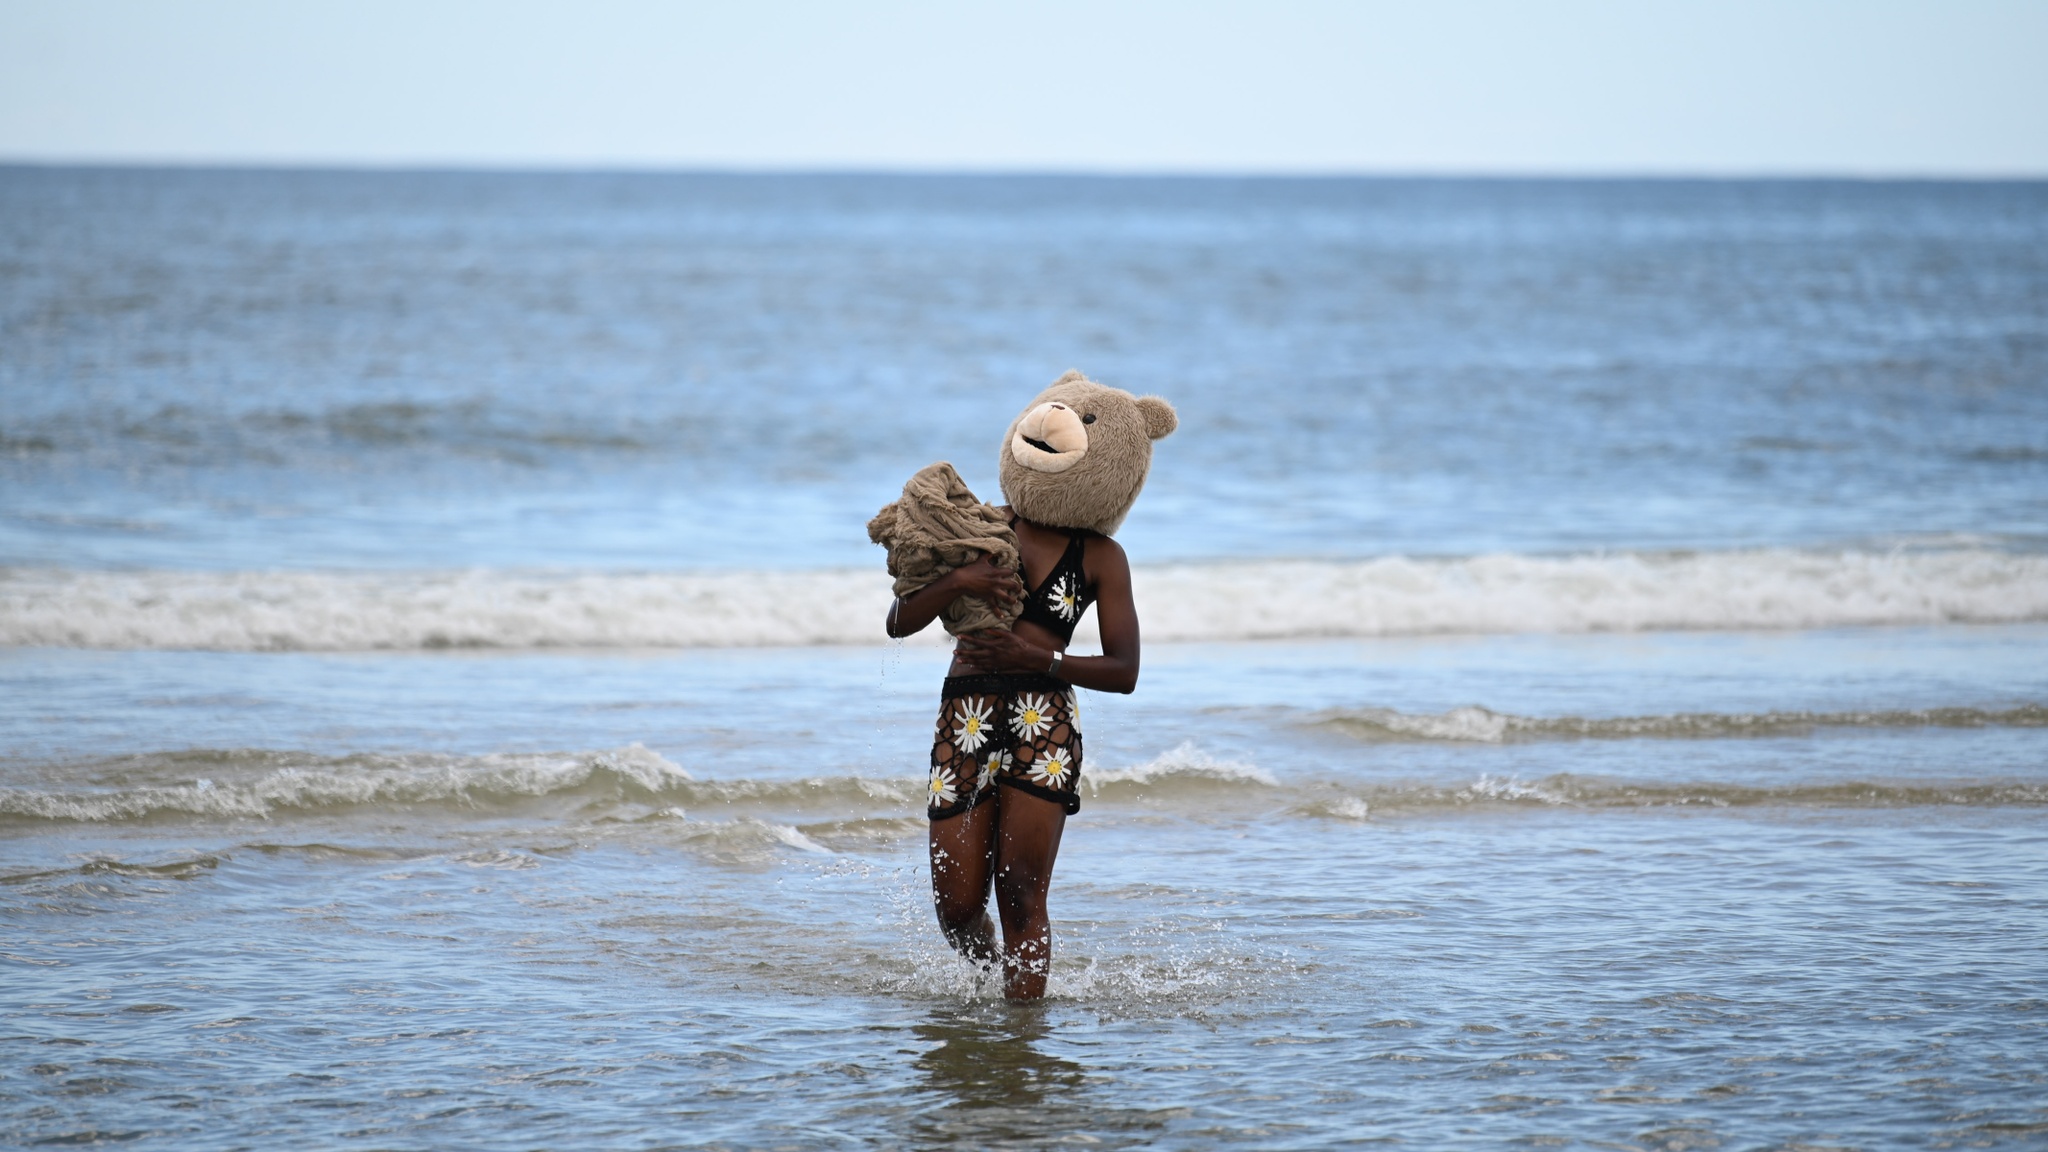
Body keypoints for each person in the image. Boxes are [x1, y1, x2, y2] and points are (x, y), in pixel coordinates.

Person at [882, 373, 1176, 1001]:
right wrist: (958, 583)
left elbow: (1125, 670)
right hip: (964, 717)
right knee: (957, 908)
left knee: (1019, 888)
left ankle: (1021, 1031)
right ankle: (994, 984)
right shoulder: (979, 530)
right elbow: (898, 621)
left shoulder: (1100, 557)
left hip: (1046, 722)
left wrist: (1037, 657)